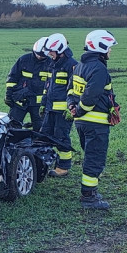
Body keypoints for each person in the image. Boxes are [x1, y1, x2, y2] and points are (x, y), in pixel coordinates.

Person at [67, 29, 120, 209]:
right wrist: (80, 110)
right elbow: (91, 96)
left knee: (90, 156)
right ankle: (89, 197)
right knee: (94, 159)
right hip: (95, 123)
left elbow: (70, 91)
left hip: (81, 123)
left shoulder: (79, 66)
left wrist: (72, 107)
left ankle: (90, 193)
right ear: (100, 46)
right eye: (109, 47)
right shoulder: (99, 68)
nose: (110, 51)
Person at [39, 33, 76, 176]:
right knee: (44, 135)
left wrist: (71, 107)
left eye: (51, 51)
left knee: (61, 138)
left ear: (60, 50)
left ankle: (63, 167)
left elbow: (76, 89)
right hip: (50, 109)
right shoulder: (53, 65)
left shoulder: (72, 65)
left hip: (63, 111)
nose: (49, 54)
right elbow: (47, 86)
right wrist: (43, 104)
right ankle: (43, 163)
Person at [4, 36, 50, 130]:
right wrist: (9, 93)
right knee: (13, 127)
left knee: (40, 130)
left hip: (38, 104)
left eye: (42, 55)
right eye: (38, 54)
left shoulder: (51, 64)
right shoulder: (24, 59)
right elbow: (13, 77)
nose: (39, 57)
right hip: (20, 100)